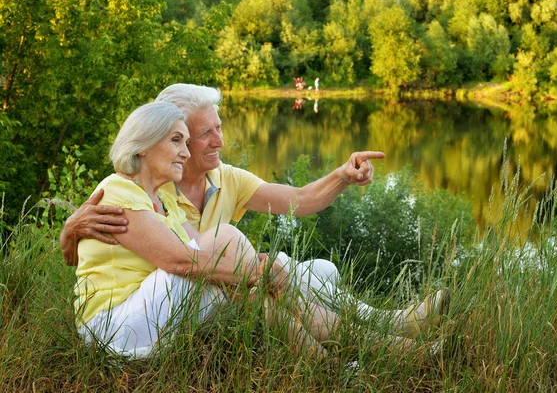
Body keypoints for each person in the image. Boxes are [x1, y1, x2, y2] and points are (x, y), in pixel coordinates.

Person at [62, 84, 448, 343]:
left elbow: (299, 199)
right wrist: (69, 229)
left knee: (318, 272)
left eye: (220, 127)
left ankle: (386, 327)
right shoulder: (148, 186)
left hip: (212, 286)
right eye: (204, 133)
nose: (220, 140)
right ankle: (369, 340)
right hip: (191, 293)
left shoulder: (225, 177)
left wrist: (343, 176)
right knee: (270, 273)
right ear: (167, 136)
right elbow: (110, 250)